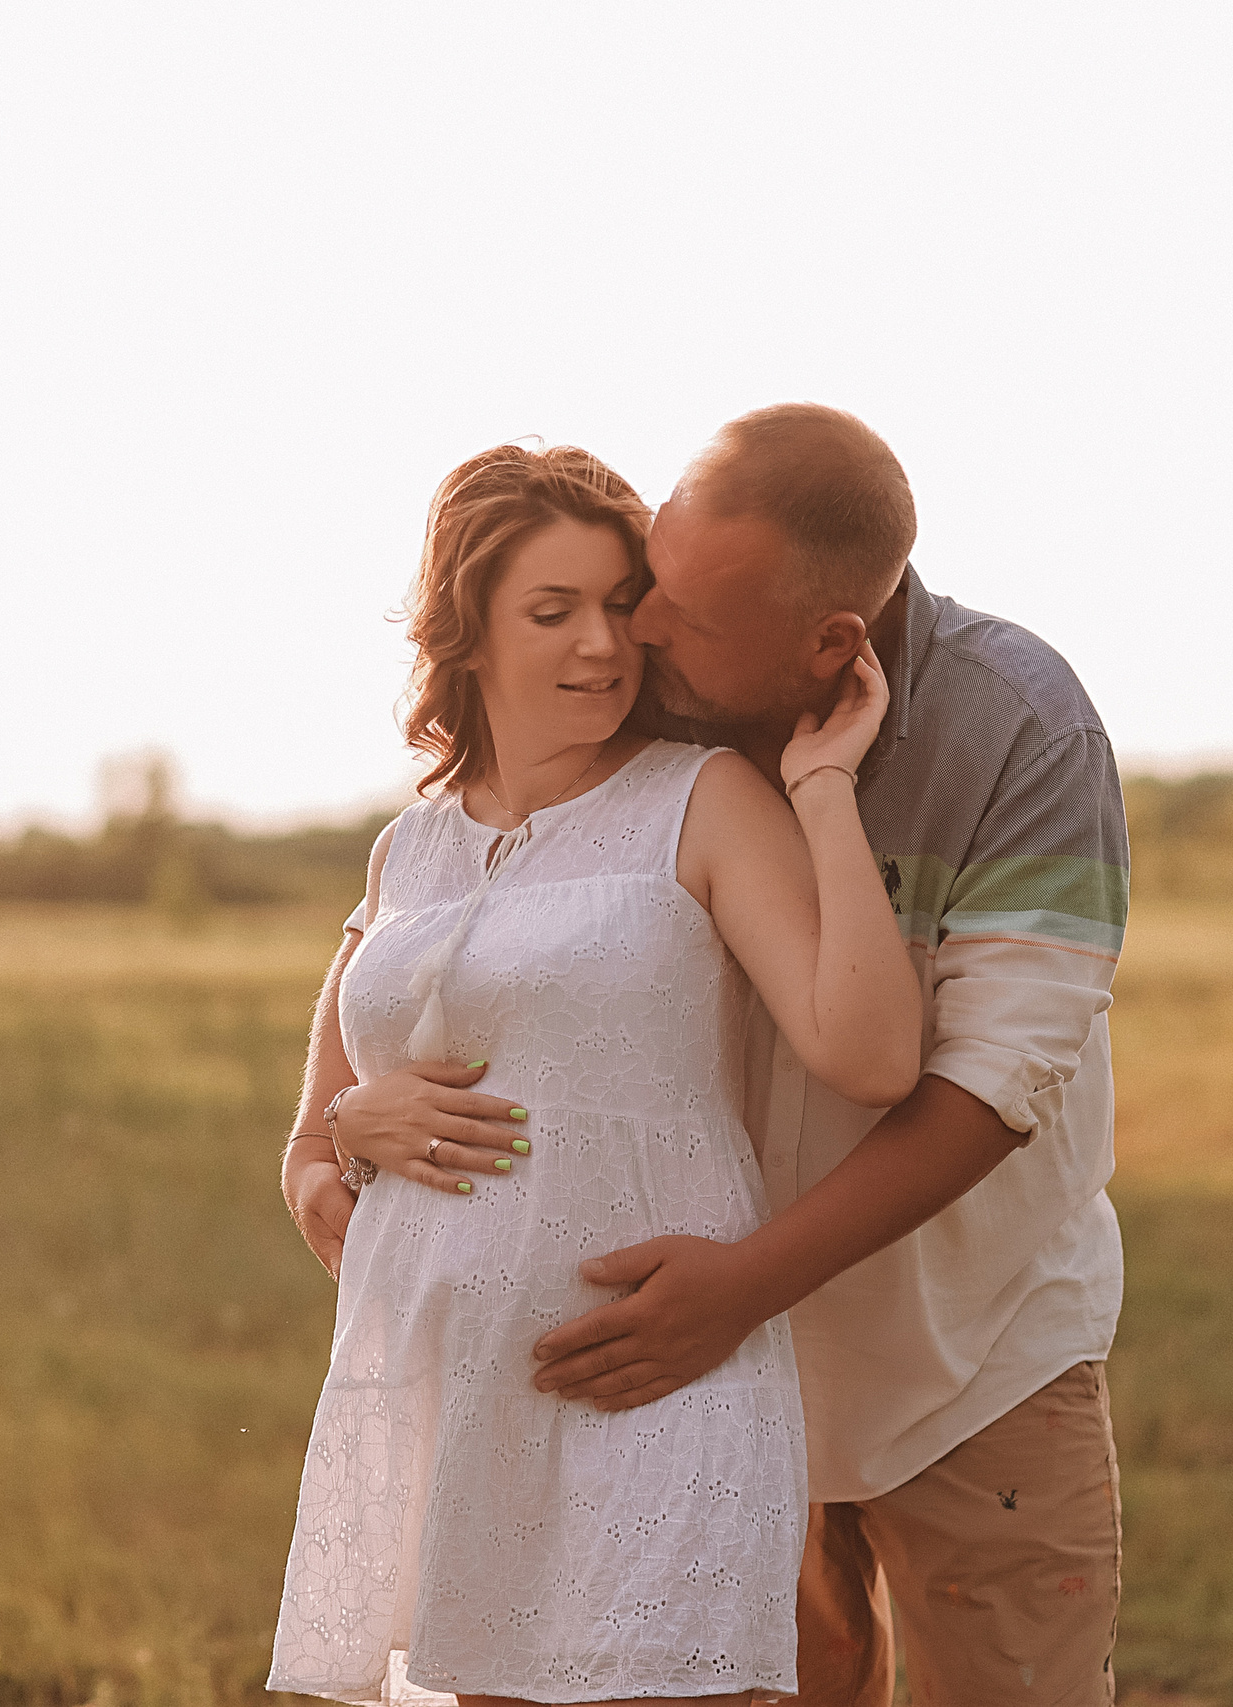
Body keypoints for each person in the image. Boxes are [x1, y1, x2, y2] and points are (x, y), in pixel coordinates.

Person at [296, 405, 1129, 1707]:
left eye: (655, 607)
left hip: (957, 1349)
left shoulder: (1016, 729)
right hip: (659, 1367)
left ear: (827, 644)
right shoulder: (646, 705)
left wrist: (743, 1286)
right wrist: (329, 1130)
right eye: (634, 592)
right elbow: (406, 932)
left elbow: (984, 1082)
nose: (632, 634)